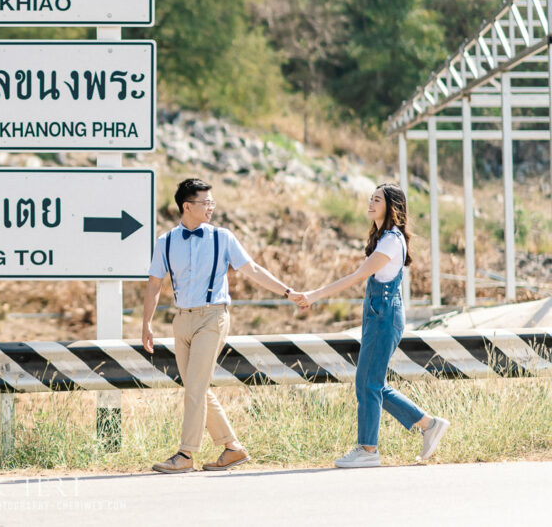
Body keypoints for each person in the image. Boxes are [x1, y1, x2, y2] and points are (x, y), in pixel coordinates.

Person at [142, 178, 304, 473]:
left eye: (212, 202)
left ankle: (185, 454)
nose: (211, 208)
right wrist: (146, 324)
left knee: (194, 387)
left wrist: (287, 292)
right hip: (181, 319)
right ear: (187, 207)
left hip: (213, 317)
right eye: (206, 203)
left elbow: (252, 269)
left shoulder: (223, 238)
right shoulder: (164, 242)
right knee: (196, 387)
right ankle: (232, 448)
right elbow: (154, 284)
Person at [296, 183, 450, 468]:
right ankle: (428, 424)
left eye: (376, 199)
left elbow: (358, 276)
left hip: (384, 317)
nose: (370, 202)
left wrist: (315, 295)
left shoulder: (392, 239)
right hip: (378, 316)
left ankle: (368, 449)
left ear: (391, 206)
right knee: (371, 383)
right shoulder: (384, 238)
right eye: (371, 198)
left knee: (368, 383)